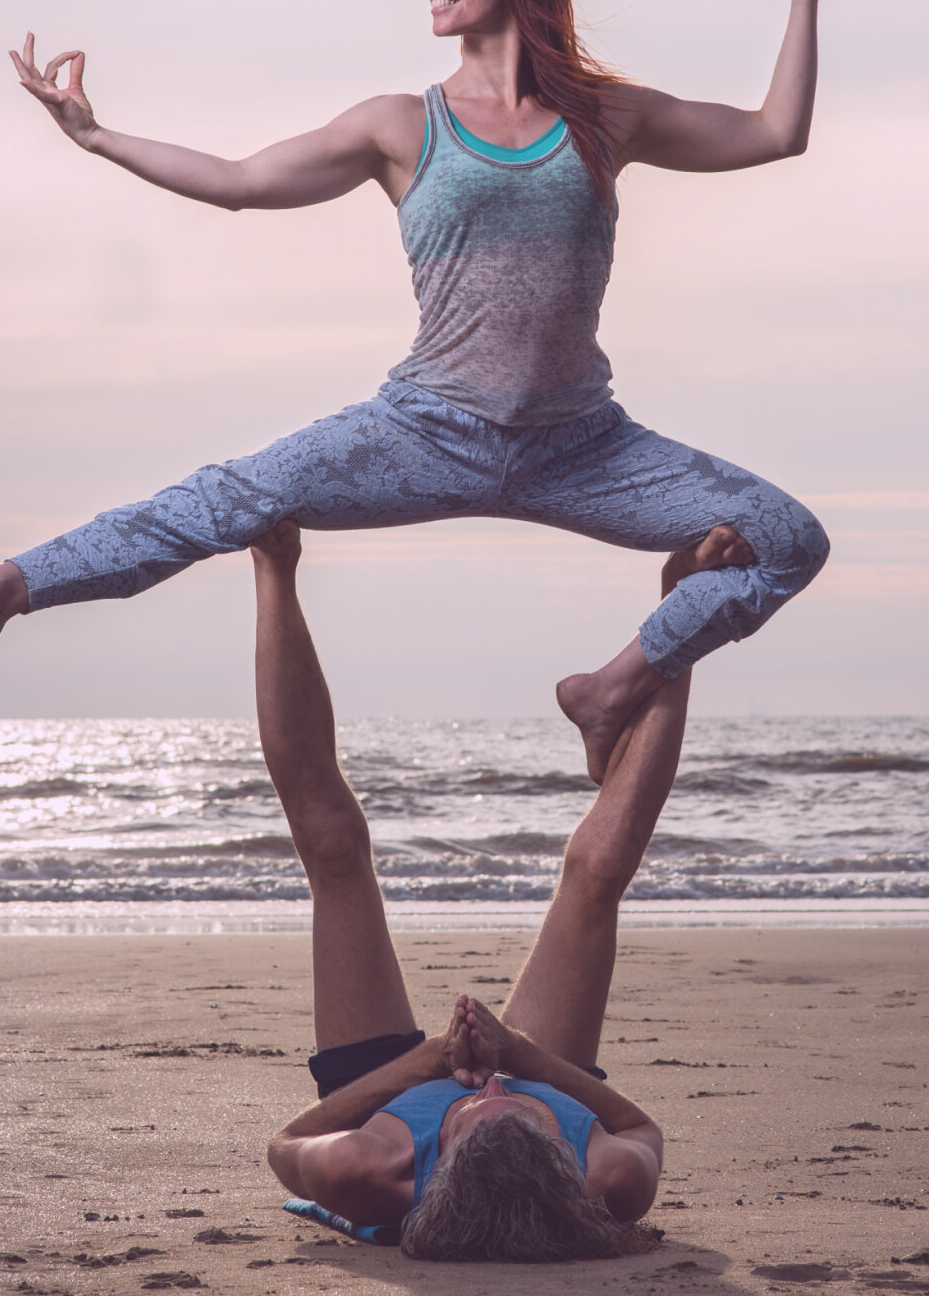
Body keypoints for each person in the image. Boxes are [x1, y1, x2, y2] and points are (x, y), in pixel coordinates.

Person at [0, 0, 840, 779]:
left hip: (583, 447)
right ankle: (2, 590)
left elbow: (772, 133)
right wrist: (97, 135)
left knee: (787, 538)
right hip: (421, 434)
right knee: (216, 502)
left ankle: (613, 685)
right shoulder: (398, 126)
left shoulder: (604, 117)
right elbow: (241, 184)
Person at [251, 519, 743, 1259]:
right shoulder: (605, 1174)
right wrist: (531, 1067)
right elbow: (643, 1131)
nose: (486, 1087)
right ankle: (681, 612)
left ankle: (272, 563)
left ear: (440, 1157)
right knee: (596, 879)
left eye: (477, 1107)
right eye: (511, 1106)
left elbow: (287, 1141)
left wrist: (422, 1069)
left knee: (334, 848)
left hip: (387, 1097)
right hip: (542, 1078)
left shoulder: (367, 1171)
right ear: (562, 1156)